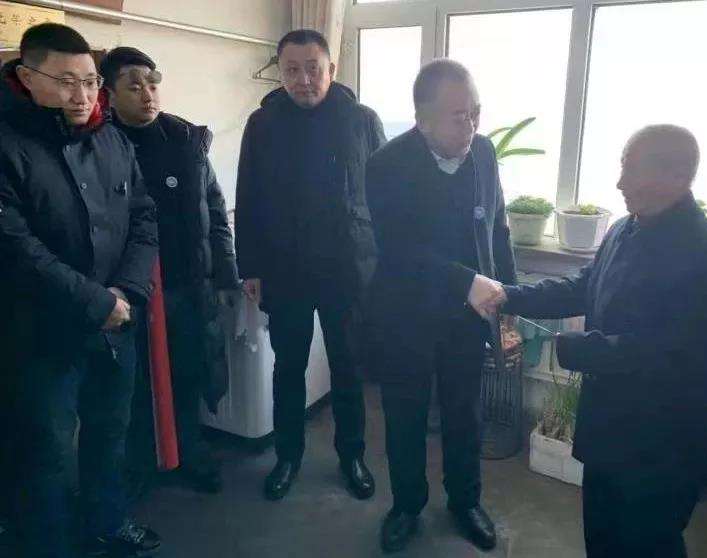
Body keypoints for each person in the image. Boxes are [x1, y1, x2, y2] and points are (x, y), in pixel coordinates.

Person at [481, 125, 707, 558]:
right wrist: (509, 296)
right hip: (610, 432)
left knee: (648, 544)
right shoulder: (625, 228)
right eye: (623, 167)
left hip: (662, 447)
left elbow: (677, 358)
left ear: (678, 177)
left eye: (633, 170)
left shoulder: (705, 256)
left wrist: (579, 349)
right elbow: (585, 285)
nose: (620, 182)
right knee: (602, 538)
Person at [0, 24, 160, 558]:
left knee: (110, 432)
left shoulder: (110, 137)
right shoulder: (8, 144)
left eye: (91, 81)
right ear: (27, 78)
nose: (83, 95)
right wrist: (98, 302)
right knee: (44, 449)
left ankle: (106, 524)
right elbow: (15, 248)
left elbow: (143, 218)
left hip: (117, 321)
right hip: (42, 331)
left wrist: (127, 291)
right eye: (66, 81)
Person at [365, 59, 517, 553]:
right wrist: (466, 281)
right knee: (405, 415)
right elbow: (399, 249)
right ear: (423, 119)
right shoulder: (387, 164)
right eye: (458, 116)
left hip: (466, 317)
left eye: (476, 112)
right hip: (405, 314)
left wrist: (508, 297)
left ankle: (465, 501)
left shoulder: (484, 153)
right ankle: (406, 505)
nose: (471, 125)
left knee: (464, 413)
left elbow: (496, 228)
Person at [235, 29, 386, 502]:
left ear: (331, 70)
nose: (303, 80)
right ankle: (287, 457)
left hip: (348, 267)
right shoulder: (263, 123)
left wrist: (385, 265)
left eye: (313, 69)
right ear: (280, 74)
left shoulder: (361, 120)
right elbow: (248, 196)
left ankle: (352, 456)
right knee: (288, 368)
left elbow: (386, 196)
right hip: (286, 269)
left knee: (347, 367)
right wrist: (250, 267)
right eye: (292, 71)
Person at [99, 47, 240, 495]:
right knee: (134, 382)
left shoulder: (185, 140)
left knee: (188, 371)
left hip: (187, 281)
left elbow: (215, 210)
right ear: (109, 94)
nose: (147, 94)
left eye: (152, 83)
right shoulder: (100, 145)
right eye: (133, 86)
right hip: (131, 289)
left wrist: (225, 272)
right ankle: (139, 465)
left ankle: (189, 450)